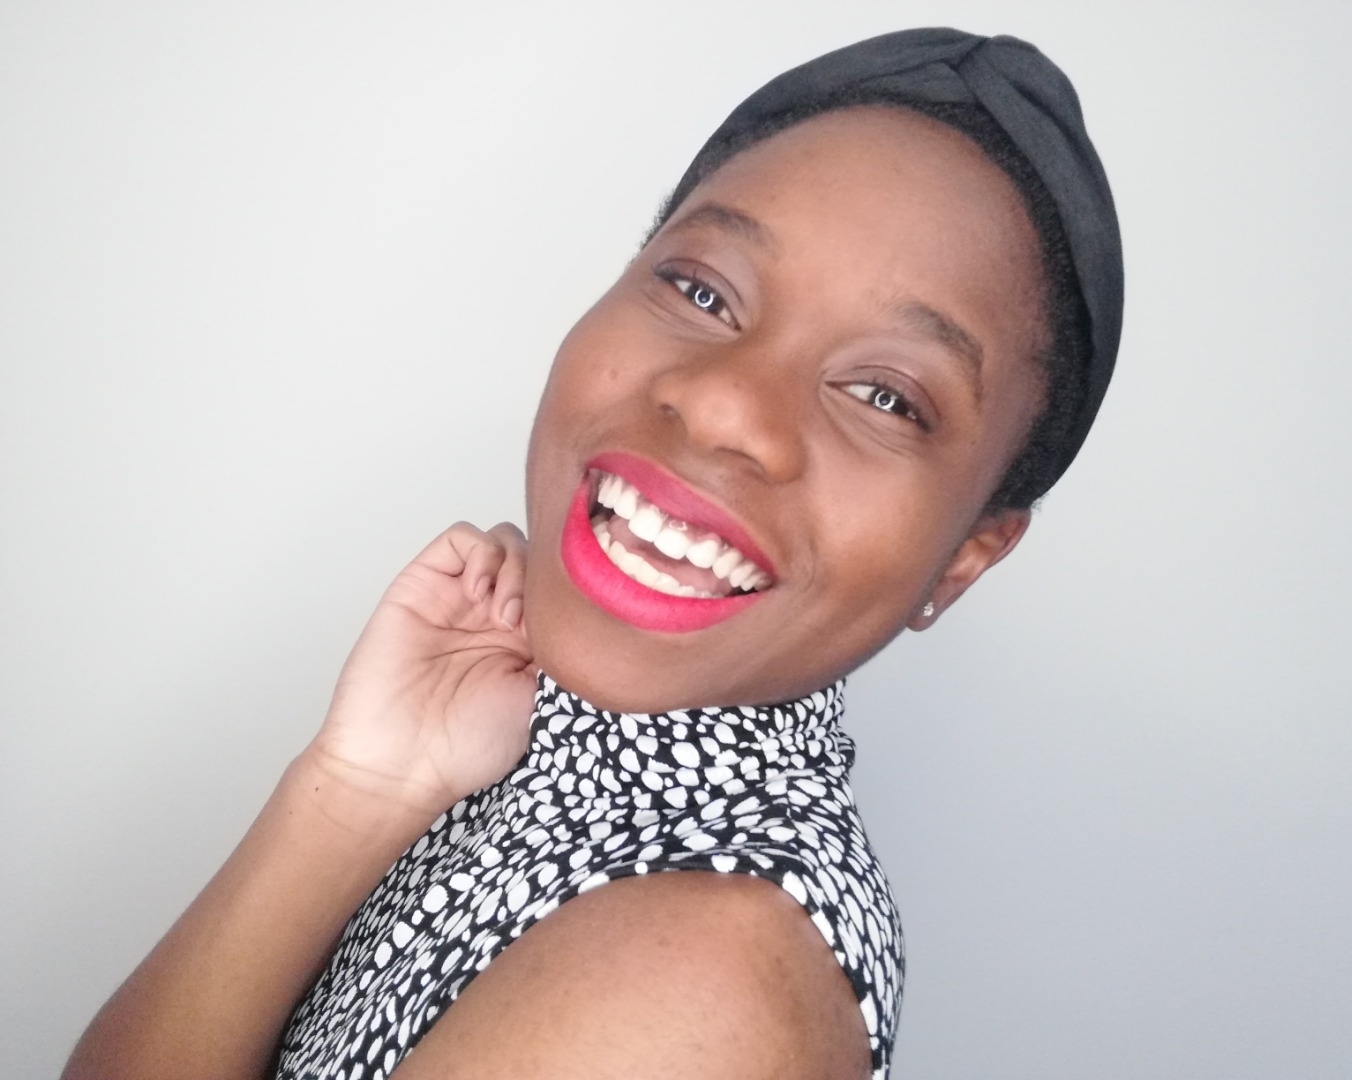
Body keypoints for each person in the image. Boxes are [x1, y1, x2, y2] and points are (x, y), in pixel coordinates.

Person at [62, 27, 1121, 1080]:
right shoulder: (519, 728)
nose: (727, 405)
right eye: (702, 290)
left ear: (964, 558)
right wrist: (364, 784)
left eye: (885, 396)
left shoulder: (708, 980)